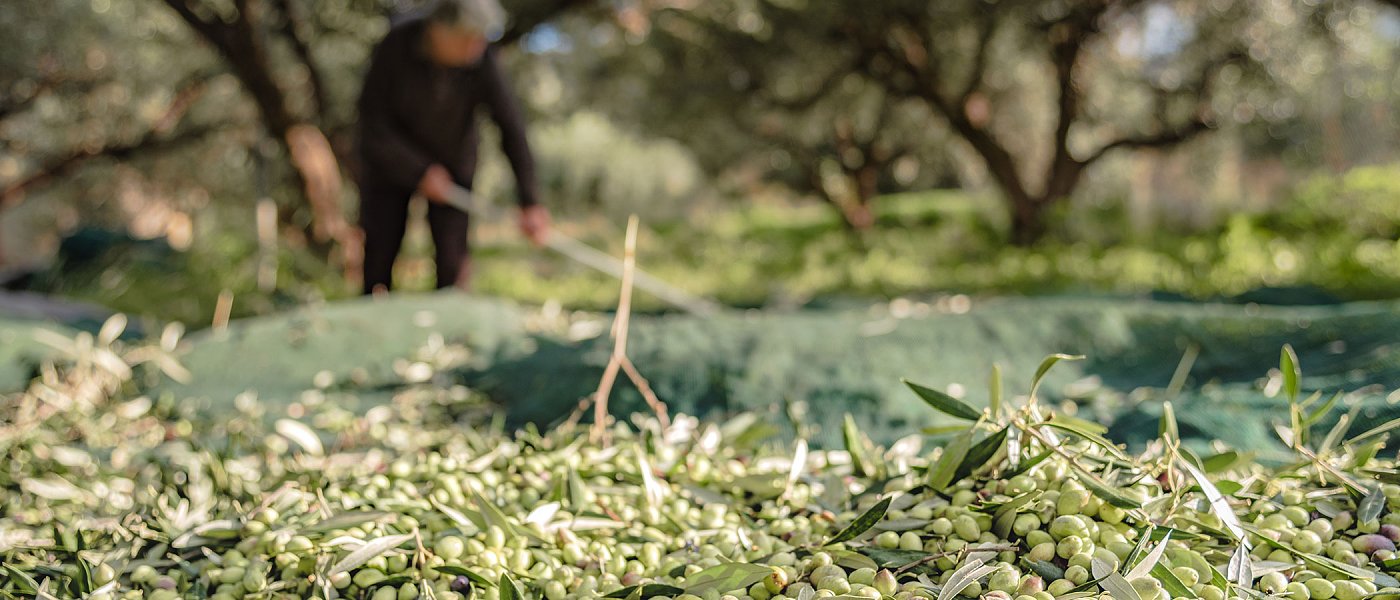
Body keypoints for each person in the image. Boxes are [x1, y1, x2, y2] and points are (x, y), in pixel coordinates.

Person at [356, 0, 549, 294]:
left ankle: (449, 316)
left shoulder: (481, 58)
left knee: (452, 261)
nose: (476, 47)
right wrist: (418, 171)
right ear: (438, 30)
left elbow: (510, 126)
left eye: (481, 39)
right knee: (379, 253)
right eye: (468, 38)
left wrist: (530, 201)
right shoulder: (396, 47)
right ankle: (373, 306)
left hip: (454, 164)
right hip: (391, 165)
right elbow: (372, 124)